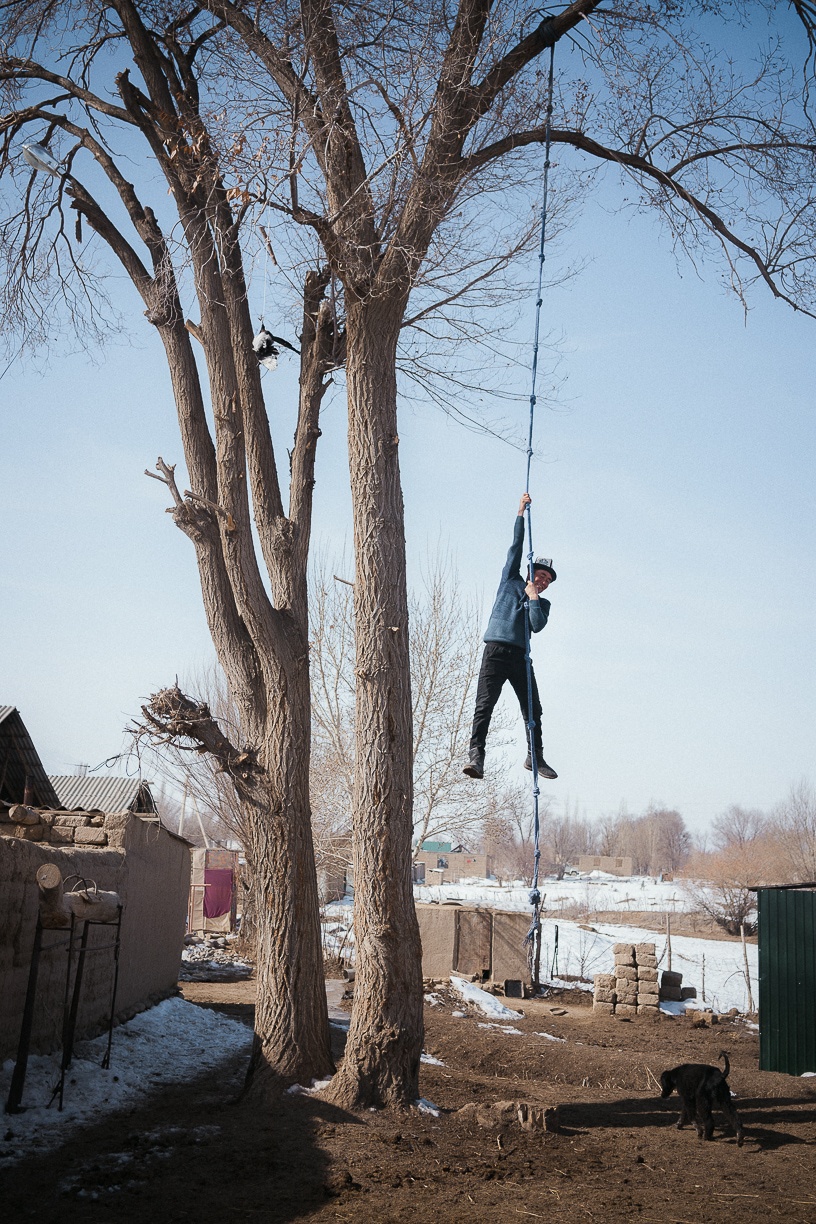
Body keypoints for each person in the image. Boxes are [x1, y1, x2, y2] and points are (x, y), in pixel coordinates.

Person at [463, 492, 558, 780]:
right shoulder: (511, 580)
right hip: (495, 651)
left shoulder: (541, 603)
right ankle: (476, 756)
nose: (542, 582)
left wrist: (532, 599)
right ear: (531, 572)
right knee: (485, 705)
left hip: (519, 657)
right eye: (540, 576)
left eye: (547, 581)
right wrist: (520, 513)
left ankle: (535, 756)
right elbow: (516, 547)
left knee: (533, 710)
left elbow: (537, 625)